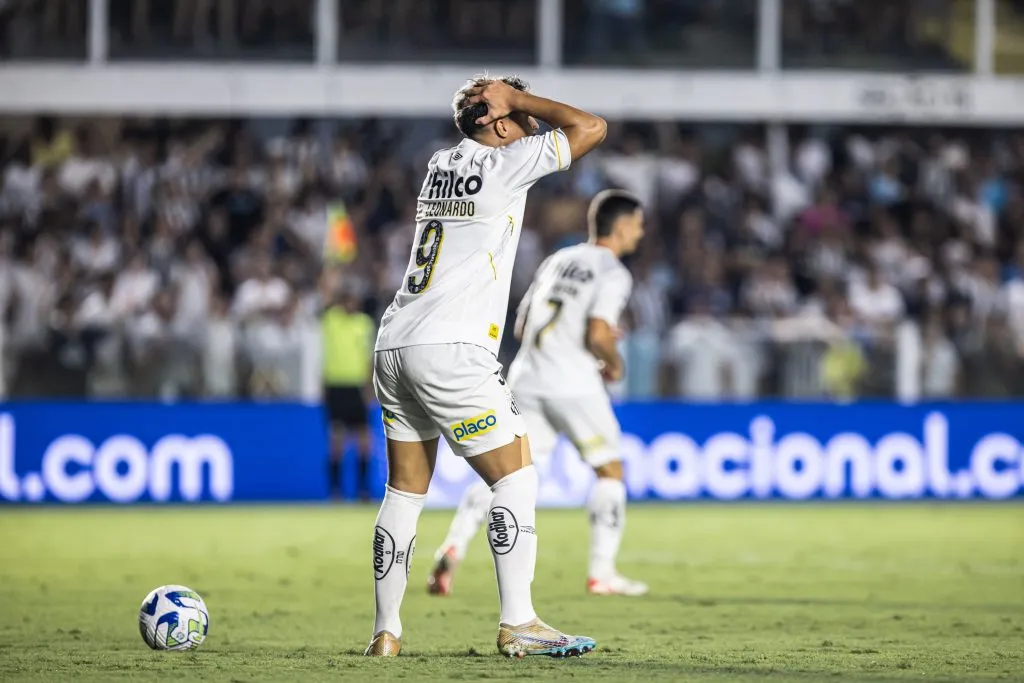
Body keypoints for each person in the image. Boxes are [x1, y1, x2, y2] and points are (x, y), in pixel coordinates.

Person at [366, 75, 607, 658]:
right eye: (520, 117)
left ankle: (386, 633)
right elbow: (592, 128)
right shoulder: (505, 165)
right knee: (516, 476)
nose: (532, 127)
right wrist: (518, 98)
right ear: (499, 124)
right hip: (451, 350)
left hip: (396, 342)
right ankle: (518, 621)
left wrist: (500, 101)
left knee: (404, 492)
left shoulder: (439, 164)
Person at [426, 190, 648, 598]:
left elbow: (521, 325)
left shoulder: (558, 259)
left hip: (527, 378)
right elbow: (599, 333)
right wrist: (613, 362)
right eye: (637, 222)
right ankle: (602, 574)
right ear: (620, 226)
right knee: (610, 472)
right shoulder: (614, 272)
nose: (642, 230)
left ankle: (452, 545)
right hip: (575, 383)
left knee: (508, 475)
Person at [321, 286, 375, 500]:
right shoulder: (331, 321)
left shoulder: (364, 324)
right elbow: (325, 295)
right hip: (336, 386)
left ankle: (363, 490)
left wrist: (369, 387)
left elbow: (370, 357)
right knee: (337, 441)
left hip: (357, 387)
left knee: (364, 441)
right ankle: (336, 491)